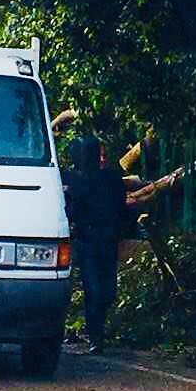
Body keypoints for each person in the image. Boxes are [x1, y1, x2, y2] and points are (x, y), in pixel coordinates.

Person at [63, 136, 129, 353]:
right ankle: (95, 337)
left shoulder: (110, 179)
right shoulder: (77, 181)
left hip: (107, 240)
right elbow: (71, 212)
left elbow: (121, 208)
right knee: (95, 289)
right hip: (88, 241)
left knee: (108, 291)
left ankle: (97, 333)